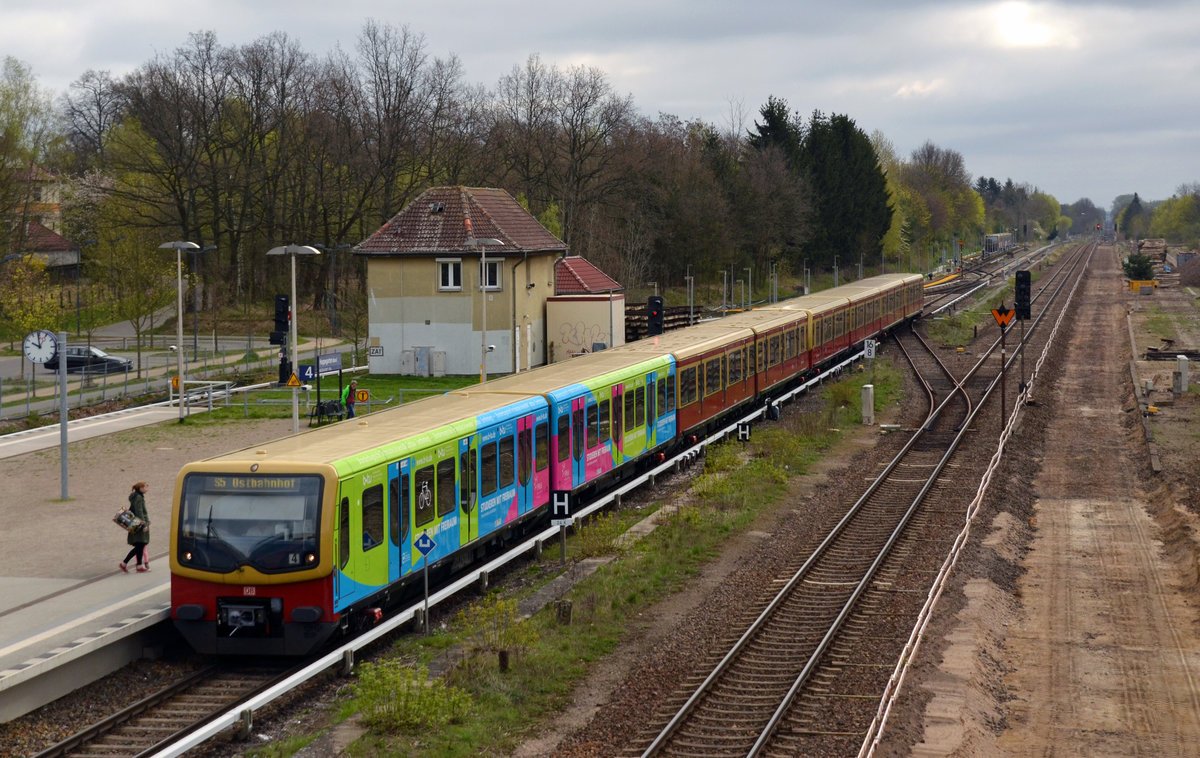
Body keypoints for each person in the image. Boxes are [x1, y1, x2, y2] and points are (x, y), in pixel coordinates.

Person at [119, 482, 151, 573]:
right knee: (140, 544)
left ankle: (138, 565)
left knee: (139, 545)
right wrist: (144, 524)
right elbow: (139, 511)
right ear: (140, 488)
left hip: (136, 522)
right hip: (139, 524)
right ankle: (126, 563)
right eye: (145, 487)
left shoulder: (135, 497)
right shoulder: (139, 498)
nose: (147, 489)